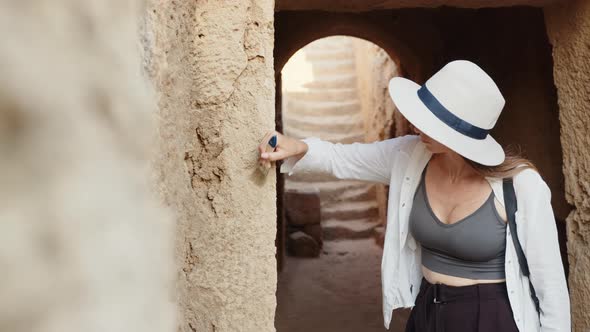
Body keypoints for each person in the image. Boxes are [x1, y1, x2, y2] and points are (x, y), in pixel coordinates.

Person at [258, 60, 571, 331]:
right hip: (428, 312)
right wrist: (297, 146)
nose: (414, 123)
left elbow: (551, 287)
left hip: (492, 318)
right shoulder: (410, 156)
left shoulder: (521, 186)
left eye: (429, 122)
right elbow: (343, 159)